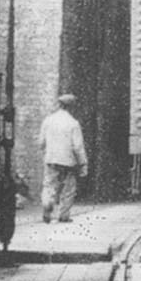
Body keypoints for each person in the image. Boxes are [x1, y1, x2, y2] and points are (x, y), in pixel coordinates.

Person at [39, 93, 88, 223]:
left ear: (60, 105)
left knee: (49, 185)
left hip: (51, 159)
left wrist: (47, 151)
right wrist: (83, 163)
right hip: (68, 161)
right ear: (72, 107)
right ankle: (64, 215)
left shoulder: (48, 120)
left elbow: (41, 142)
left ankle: (47, 203)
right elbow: (77, 146)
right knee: (69, 188)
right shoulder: (73, 123)